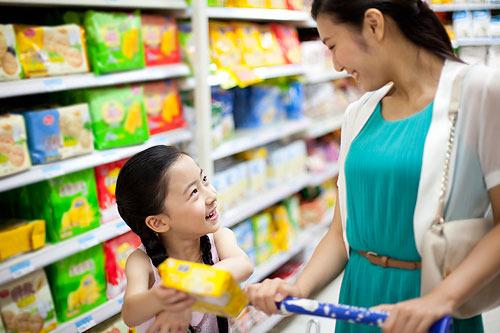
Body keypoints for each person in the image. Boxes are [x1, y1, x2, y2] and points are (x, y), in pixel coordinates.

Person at [246, 1, 500, 332]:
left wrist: (442, 300)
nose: (336, 65)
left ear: (374, 24)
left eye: (333, 45)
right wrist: (298, 287)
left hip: (429, 309)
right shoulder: (359, 114)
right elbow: (340, 235)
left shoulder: (480, 92)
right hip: (357, 302)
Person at [116, 145, 254, 333]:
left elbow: (244, 265)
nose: (212, 195)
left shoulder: (219, 238)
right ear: (158, 222)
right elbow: (131, 314)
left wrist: (184, 288)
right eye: (194, 192)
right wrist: (161, 297)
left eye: (204, 180)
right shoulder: (141, 262)